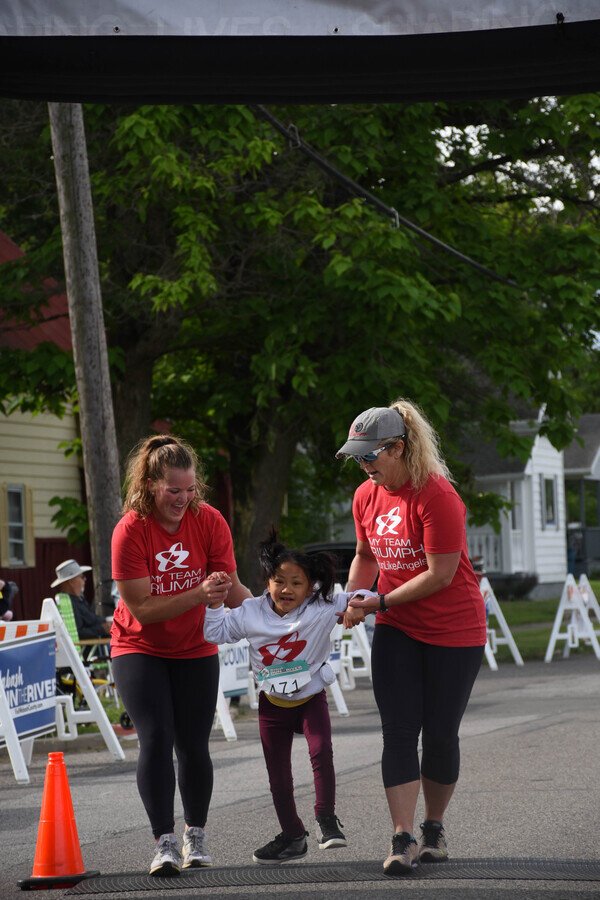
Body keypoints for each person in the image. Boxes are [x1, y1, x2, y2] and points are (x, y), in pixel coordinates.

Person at [336, 400, 486, 876]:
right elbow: (365, 555)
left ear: (397, 448)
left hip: (453, 629)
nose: (363, 466)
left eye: (369, 456)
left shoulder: (437, 495)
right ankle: (401, 837)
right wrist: (351, 599)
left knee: (440, 734)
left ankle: (434, 830)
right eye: (357, 457)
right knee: (399, 731)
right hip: (399, 627)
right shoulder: (366, 496)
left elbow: (441, 575)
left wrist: (379, 602)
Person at [110, 434, 251, 877]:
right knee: (155, 737)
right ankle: (164, 841)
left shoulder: (208, 521)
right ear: (151, 483)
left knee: (193, 743)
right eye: (174, 490)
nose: (183, 499)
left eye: (190, 490)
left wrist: (277, 616)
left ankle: (196, 835)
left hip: (194, 647)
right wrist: (197, 594)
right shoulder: (131, 529)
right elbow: (144, 609)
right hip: (139, 645)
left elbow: (232, 591)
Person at [203, 530, 377, 865]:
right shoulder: (250, 612)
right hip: (273, 705)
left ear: (311, 586)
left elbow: (361, 596)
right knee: (278, 776)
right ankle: (292, 834)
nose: (287, 590)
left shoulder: (322, 605)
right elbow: (214, 633)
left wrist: (357, 607)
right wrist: (213, 604)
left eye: (297, 583)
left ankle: (326, 819)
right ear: (267, 581)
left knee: (321, 751)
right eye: (279, 581)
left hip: (311, 698)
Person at [50, 559, 110, 640]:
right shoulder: (67, 604)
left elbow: (92, 619)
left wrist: (107, 620)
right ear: (71, 581)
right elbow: (78, 633)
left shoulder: (78, 599)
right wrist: (102, 629)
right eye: (82, 577)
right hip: (89, 649)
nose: (85, 579)